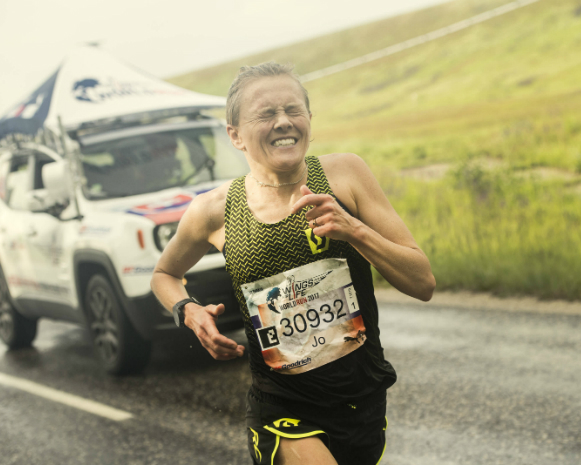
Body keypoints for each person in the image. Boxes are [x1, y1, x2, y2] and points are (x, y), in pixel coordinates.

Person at [151, 62, 435, 465]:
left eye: (292, 110)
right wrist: (188, 310)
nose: (283, 121)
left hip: (363, 400)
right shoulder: (214, 210)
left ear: (309, 120)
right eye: (266, 113)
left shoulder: (345, 175)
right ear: (235, 135)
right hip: (281, 407)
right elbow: (164, 274)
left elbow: (422, 283)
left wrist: (354, 230)